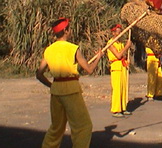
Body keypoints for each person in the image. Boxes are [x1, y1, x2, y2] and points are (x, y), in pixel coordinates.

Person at [36, 17, 103, 148]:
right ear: (66, 31)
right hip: (71, 89)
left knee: (56, 127)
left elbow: (39, 74)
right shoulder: (73, 48)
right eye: (69, 28)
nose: (71, 30)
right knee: (83, 126)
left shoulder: (49, 50)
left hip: (56, 90)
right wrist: (98, 57)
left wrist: (52, 85)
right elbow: (89, 69)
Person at [107, 24, 132, 117]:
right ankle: (116, 109)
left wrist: (126, 59)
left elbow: (123, 55)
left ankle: (123, 107)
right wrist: (127, 47)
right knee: (117, 88)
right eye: (118, 32)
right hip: (116, 67)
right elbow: (118, 55)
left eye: (120, 31)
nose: (119, 33)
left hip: (122, 66)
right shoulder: (110, 43)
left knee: (124, 87)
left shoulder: (120, 43)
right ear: (113, 33)